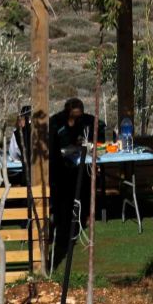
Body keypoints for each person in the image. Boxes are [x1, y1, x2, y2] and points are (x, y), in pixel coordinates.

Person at [47, 97, 97, 270]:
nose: (77, 118)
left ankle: (76, 222)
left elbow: (81, 135)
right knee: (62, 200)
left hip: (72, 163)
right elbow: (55, 144)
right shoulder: (55, 122)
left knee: (81, 184)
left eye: (79, 115)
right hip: (58, 166)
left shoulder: (82, 122)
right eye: (74, 115)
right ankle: (61, 234)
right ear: (68, 112)